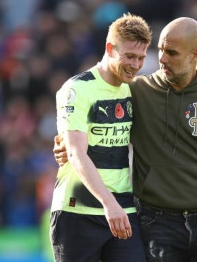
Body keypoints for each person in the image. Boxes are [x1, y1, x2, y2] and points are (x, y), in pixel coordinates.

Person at [54, 17, 197, 262]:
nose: (162, 59)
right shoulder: (137, 91)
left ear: (195, 54)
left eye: (172, 52)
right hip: (155, 221)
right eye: (159, 50)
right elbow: (88, 124)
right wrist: (66, 145)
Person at [50, 13, 152, 262]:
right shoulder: (77, 88)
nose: (136, 65)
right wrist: (109, 204)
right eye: (129, 56)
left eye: (141, 57)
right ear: (109, 48)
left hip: (123, 208)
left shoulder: (137, 89)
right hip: (78, 209)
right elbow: (74, 152)